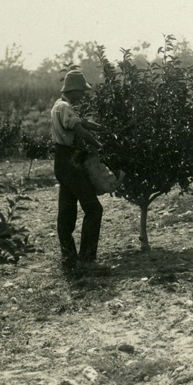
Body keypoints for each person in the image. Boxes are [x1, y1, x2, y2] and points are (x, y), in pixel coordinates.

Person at [51, 70, 107, 271]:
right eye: (81, 91)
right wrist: (98, 144)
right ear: (73, 90)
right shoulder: (65, 107)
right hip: (72, 163)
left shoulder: (60, 106)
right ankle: (87, 260)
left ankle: (69, 260)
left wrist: (102, 129)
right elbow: (80, 130)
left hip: (62, 163)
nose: (83, 95)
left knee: (66, 213)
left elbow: (83, 123)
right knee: (94, 209)